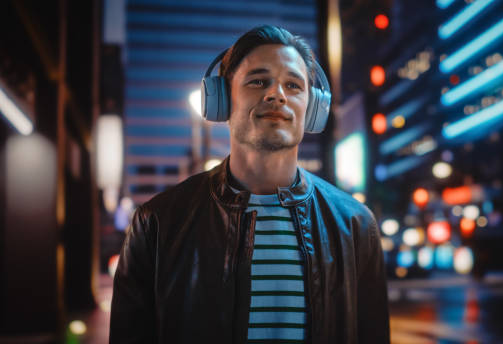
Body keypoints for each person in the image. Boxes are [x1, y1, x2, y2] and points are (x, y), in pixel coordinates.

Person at [110, 25, 389, 344]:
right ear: (222, 99)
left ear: (312, 108)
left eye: (293, 85)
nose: (277, 94)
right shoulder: (157, 223)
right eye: (258, 81)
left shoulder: (355, 225)